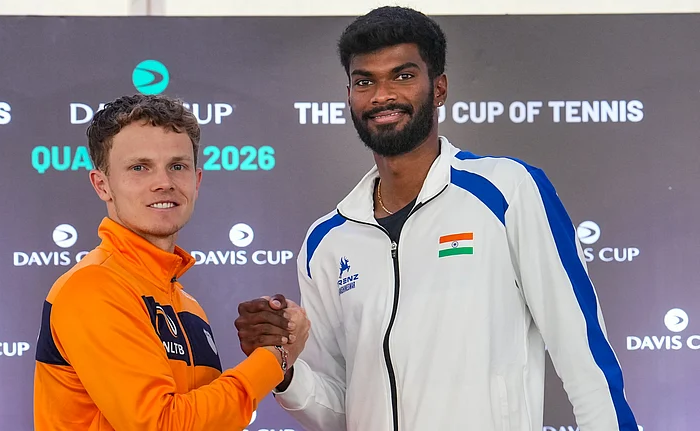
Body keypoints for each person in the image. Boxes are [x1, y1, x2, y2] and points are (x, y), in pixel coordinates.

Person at [235, 6, 638, 431]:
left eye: (403, 76)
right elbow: (340, 407)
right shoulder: (327, 241)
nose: (381, 95)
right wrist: (285, 369)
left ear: (439, 88)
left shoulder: (507, 190)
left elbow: (584, 354)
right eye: (364, 81)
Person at [33, 94, 309, 431]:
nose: (164, 182)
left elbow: (207, 420)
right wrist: (274, 359)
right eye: (139, 167)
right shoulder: (94, 287)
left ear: (197, 181)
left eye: (177, 166)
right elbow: (163, 425)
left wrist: (267, 351)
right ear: (102, 185)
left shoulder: (185, 303)